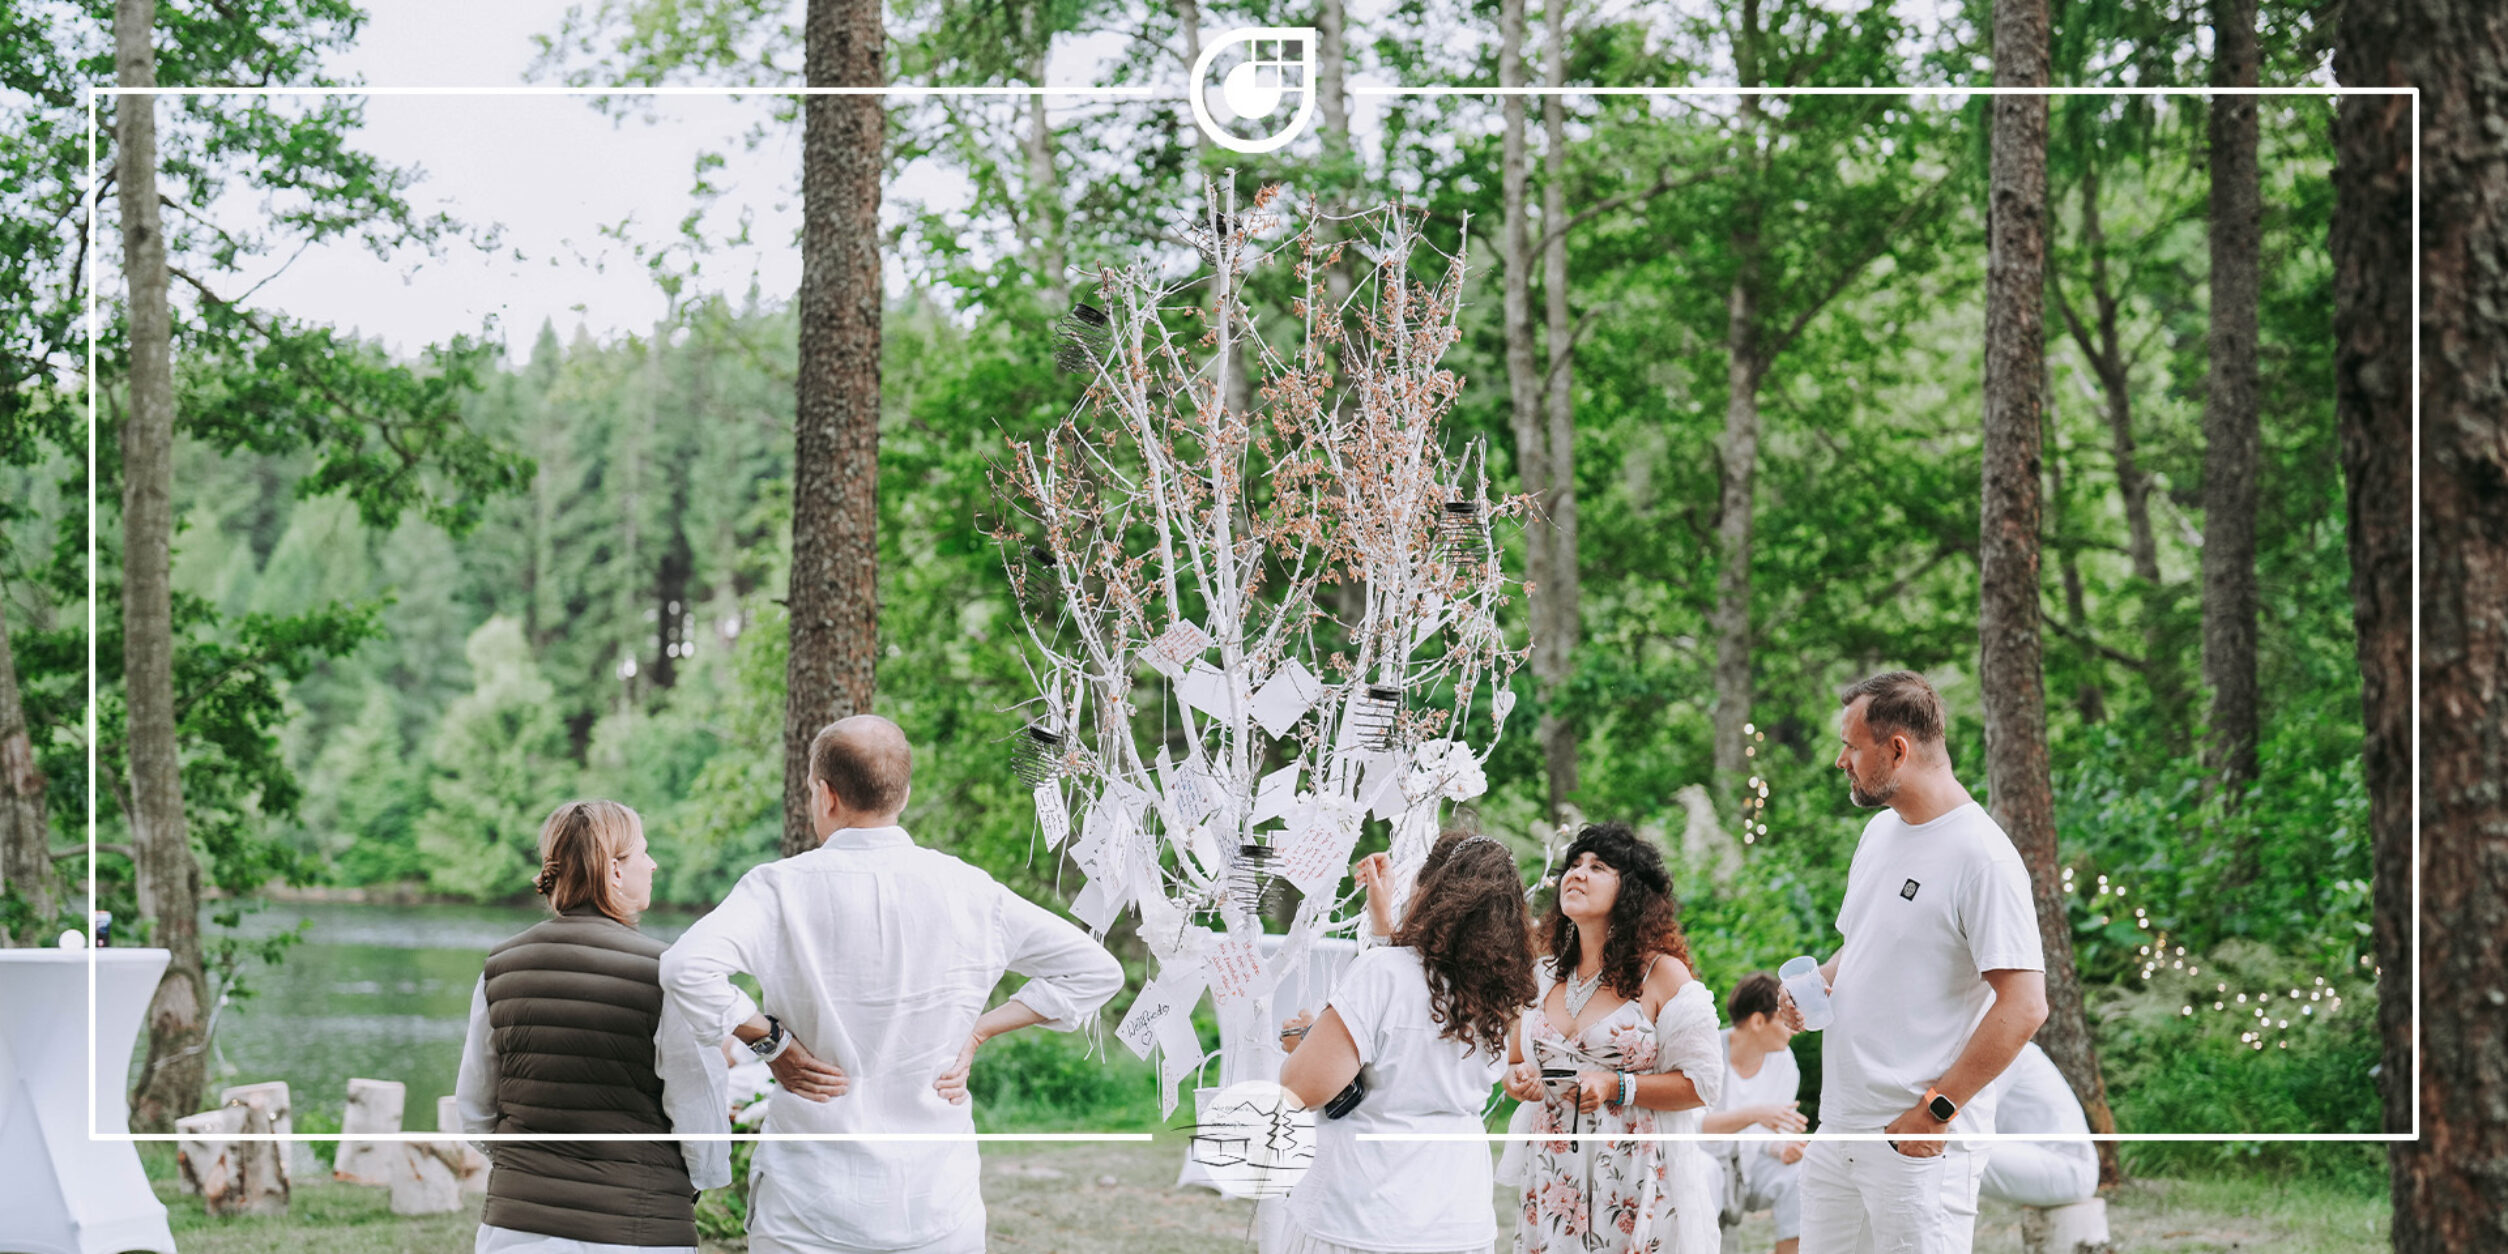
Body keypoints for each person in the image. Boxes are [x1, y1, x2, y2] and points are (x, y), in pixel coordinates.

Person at [659, 715, 1125, 1254]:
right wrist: (980, 1032)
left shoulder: (777, 890)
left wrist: (771, 1043)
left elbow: (685, 968)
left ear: (825, 794)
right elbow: (1098, 971)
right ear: (902, 793)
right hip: (936, 1202)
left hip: (808, 1201)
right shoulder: (970, 890)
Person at [1783, 671, 2049, 1254]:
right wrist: (1815, 984)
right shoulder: (1879, 834)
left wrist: (1937, 1110)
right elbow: (1866, 947)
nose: (1840, 760)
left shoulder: (1983, 858)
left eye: (1852, 747)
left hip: (1917, 1140)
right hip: (1840, 1126)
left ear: (1897, 749)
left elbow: (2026, 1005)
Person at [455, 799, 748, 1254]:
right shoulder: (666, 973)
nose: (654, 864)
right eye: (643, 853)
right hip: (638, 1229)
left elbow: (475, 1112)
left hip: (516, 1229)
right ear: (613, 870)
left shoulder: (499, 968)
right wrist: (695, 1183)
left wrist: (529, 1172)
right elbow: (698, 1110)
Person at [1273, 833, 1540, 1254]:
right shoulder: (1504, 993)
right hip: (1457, 1219)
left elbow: (1302, 1089)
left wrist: (1306, 1042)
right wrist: (1384, 927)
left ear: (1431, 892)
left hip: (1362, 1216)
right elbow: (1420, 1012)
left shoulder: (1382, 974)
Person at [1503, 822, 1724, 1253]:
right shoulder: (1541, 976)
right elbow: (1514, 1064)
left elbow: (1702, 1084)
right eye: (1575, 864)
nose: (1577, 873)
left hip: (1631, 1174)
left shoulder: (1661, 975)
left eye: (1598, 866)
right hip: (1552, 1174)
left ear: (1631, 893)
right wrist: (1520, 1080)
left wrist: (1615, 1085)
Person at [1700, 973, 1809, 1254]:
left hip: (1752, 1167)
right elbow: (1693, 1128)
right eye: (1785, 1019)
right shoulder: (1707, 1054)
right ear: (1758, 1021)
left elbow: (1768, 1136)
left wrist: (1782, 1149)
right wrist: (1755, 1113)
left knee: (1800, 1175)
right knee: (1705, 1172)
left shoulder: (1784, 1063)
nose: (1794, 1029)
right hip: (1705, 1164)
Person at [1975, 1043, 2098, 1209]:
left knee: (1954, 1148)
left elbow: (1961, 1114)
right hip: (2043, 1159)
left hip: (2068, 1168)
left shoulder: (2006, 1046)